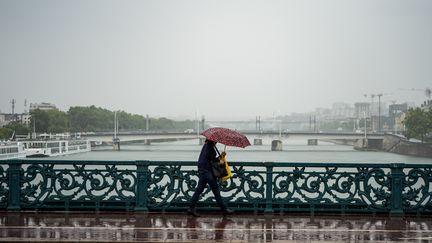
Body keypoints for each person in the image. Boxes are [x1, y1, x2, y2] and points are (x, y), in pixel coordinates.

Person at [187, 139, 234, 217]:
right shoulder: (209, 147)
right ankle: (224, 209)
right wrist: (220, 161)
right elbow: (212, 159)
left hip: (202, 171)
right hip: (207, 171)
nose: (217, 142)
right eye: (216, 141)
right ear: (213, 141)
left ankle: (191, 208)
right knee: (216, 190)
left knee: (199, 190)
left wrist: (221, 156)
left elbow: (209, 158)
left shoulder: (206, 146)